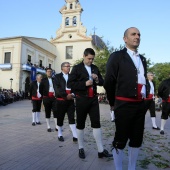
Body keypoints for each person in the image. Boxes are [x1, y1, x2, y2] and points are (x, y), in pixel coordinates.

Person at [104, 27, 147, 170]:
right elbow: (109, 81)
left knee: (137, 138)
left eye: (139, 34)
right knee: (121, 138)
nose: (137, 36)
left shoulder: (143, 59)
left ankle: (132, 167)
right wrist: (112, 102)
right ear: (125, 39)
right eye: (133, 34)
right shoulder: (116, 56)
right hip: (123, 103)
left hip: (140, 104)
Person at [67, 48, 112, 159]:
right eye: (89, 58)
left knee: (96, 124)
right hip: (81, 99)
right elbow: (70, 84)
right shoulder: (77, 68)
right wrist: (84, 83)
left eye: (92, 59)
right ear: (84, 56)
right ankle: (81, 148)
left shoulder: (95, 68)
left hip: (93, 100)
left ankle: (101, 150)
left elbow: (102, 82)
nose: (91, 61)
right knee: (81, 124)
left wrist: (97, 79)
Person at [55, 62, 77, 142]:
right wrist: (65, 95)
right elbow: (57, 89)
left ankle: (75, 135)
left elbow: (75, 87)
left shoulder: (72, 77)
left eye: (69, 66)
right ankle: (60, 134)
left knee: (71, 117)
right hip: (61, 101)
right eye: (67, 66)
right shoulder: (57, 77)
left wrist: (73, 94)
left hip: (70, 100)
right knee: (60, 118)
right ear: (62, 68)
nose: (68, 67)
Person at [39, 68, 58, 132]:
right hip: (46, 98)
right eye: (48, 71)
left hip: (54, 98)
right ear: (46, 72)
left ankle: (56, 126)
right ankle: (48, 126)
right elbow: (40, 90)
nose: (49, 72)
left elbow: (57, 87)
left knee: (55, 111)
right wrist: (45, 95)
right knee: (47, 112)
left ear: (52, 72)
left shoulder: (55, 79)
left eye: (50, 71)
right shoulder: (43, 80)